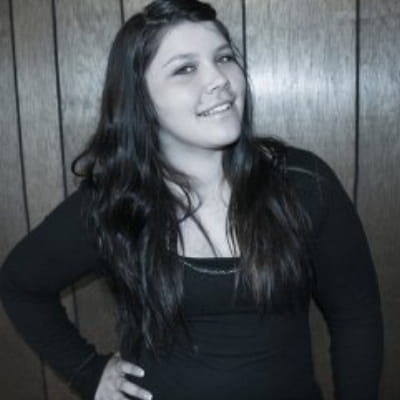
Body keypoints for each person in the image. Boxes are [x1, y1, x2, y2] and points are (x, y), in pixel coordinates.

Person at [0, 0, 383, 399]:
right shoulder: (114, 203)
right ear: (140, 99)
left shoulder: (303, 184)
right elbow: (20, 284)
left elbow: (356, 317)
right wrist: (88, 373)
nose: (219, 79)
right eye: (185, 68)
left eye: (224, 57)